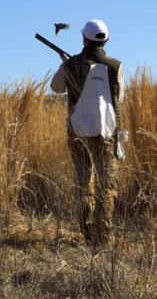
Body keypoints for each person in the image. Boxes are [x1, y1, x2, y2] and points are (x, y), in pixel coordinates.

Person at [51, 19, 125, 244]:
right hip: (107, 132)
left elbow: (56, 88)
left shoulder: (72, 64)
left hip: (78, 131)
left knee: (83, 181)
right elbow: (119, 97)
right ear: (107, 39)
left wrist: (65, 65)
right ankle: (104, 234)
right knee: (107, 182)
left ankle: (87, 231)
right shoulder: (115, 66)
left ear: (84, 38)